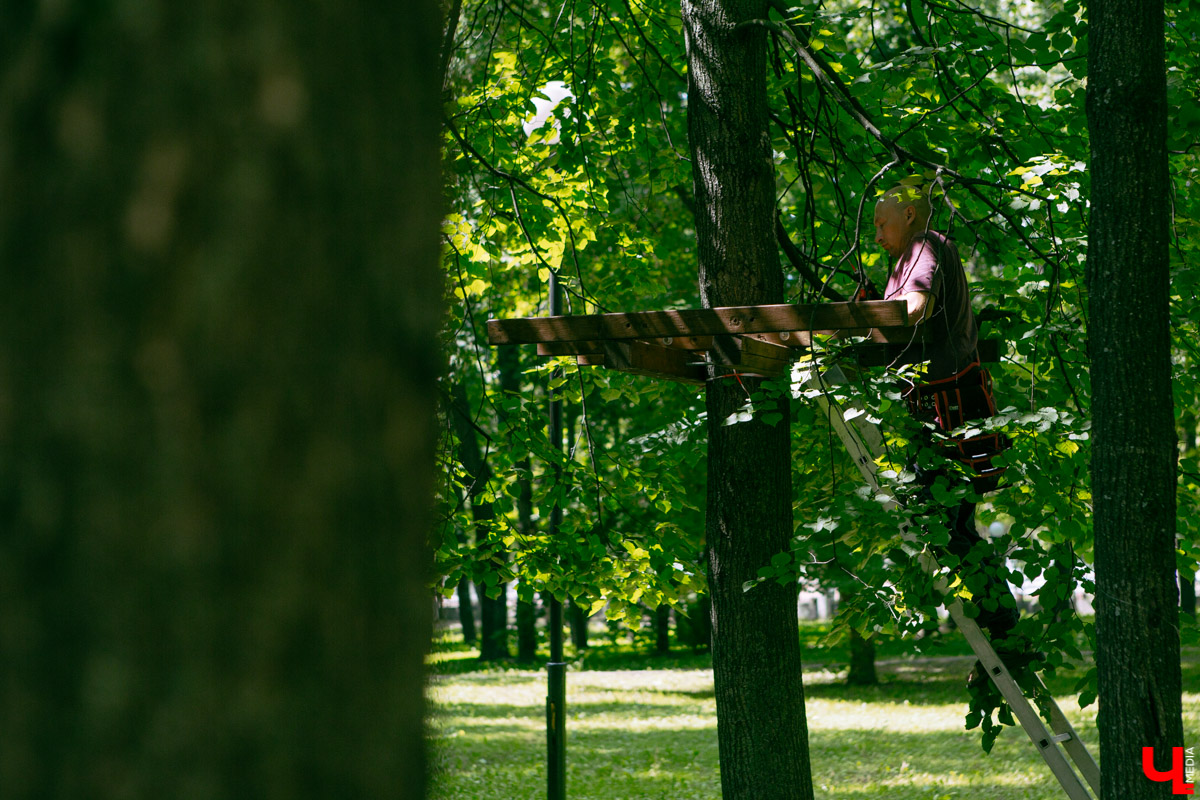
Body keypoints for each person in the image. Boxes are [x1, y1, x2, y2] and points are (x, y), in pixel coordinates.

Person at [871, 183, 1031, 687]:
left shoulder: (923, 247)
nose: (877, 236)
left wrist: (868, 320)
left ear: (910, 214)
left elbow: (914, 309)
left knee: (948, 522)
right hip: (940, 411)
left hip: (951, 414)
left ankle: (1004, 632)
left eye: (882, 224)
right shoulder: (912, 255)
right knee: (950, 524)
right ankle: (1001, 638)